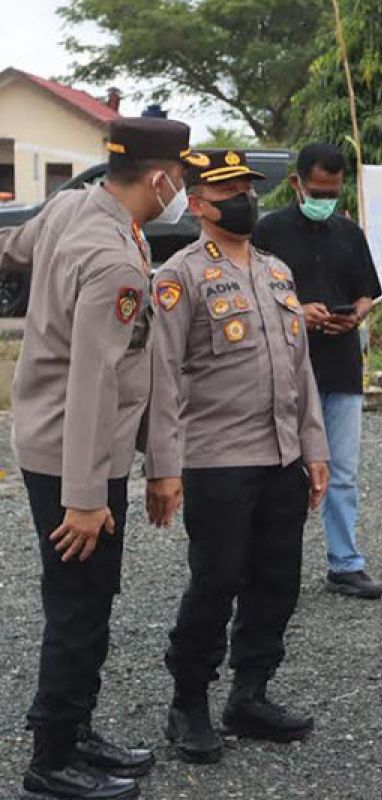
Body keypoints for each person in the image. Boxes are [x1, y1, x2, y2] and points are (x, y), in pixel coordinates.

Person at [0, 117, 190, 800]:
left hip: (54, 443)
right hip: (77, 457)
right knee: (80, 606)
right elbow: (93, 379)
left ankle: (74, 728)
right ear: (161, 179)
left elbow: (12, 247)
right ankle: (52, 761)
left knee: (84, 599)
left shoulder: (73, 207)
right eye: (183, 181)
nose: (184, 196)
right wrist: (85, 497)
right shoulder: (114, 257)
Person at [144, 149, 331, 763]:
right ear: (198, 204)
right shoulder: (180, 276)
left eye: (248, 188)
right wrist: (164, 469)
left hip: (281, 457)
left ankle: (250, 694)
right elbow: (163, 378)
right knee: (217, 580)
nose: (244, 199)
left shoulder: (277, 272)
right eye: (229, 191)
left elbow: (299, 368)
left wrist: (315, 448)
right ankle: (188, 702)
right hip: (217, 459)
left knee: (277, 581)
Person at [252, 143, 382, 601]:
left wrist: (357, 315)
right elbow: (255, 299)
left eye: (332, 191)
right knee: (283, 472)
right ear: (295, 184)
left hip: (342, 366)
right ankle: (273, 566)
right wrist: (296, 312)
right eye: (316, 190)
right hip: (286, 370)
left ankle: (345, 563)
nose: (324, 198)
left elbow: (368, 292)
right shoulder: (265, 233)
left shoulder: (350, 233)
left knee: (342, 470)